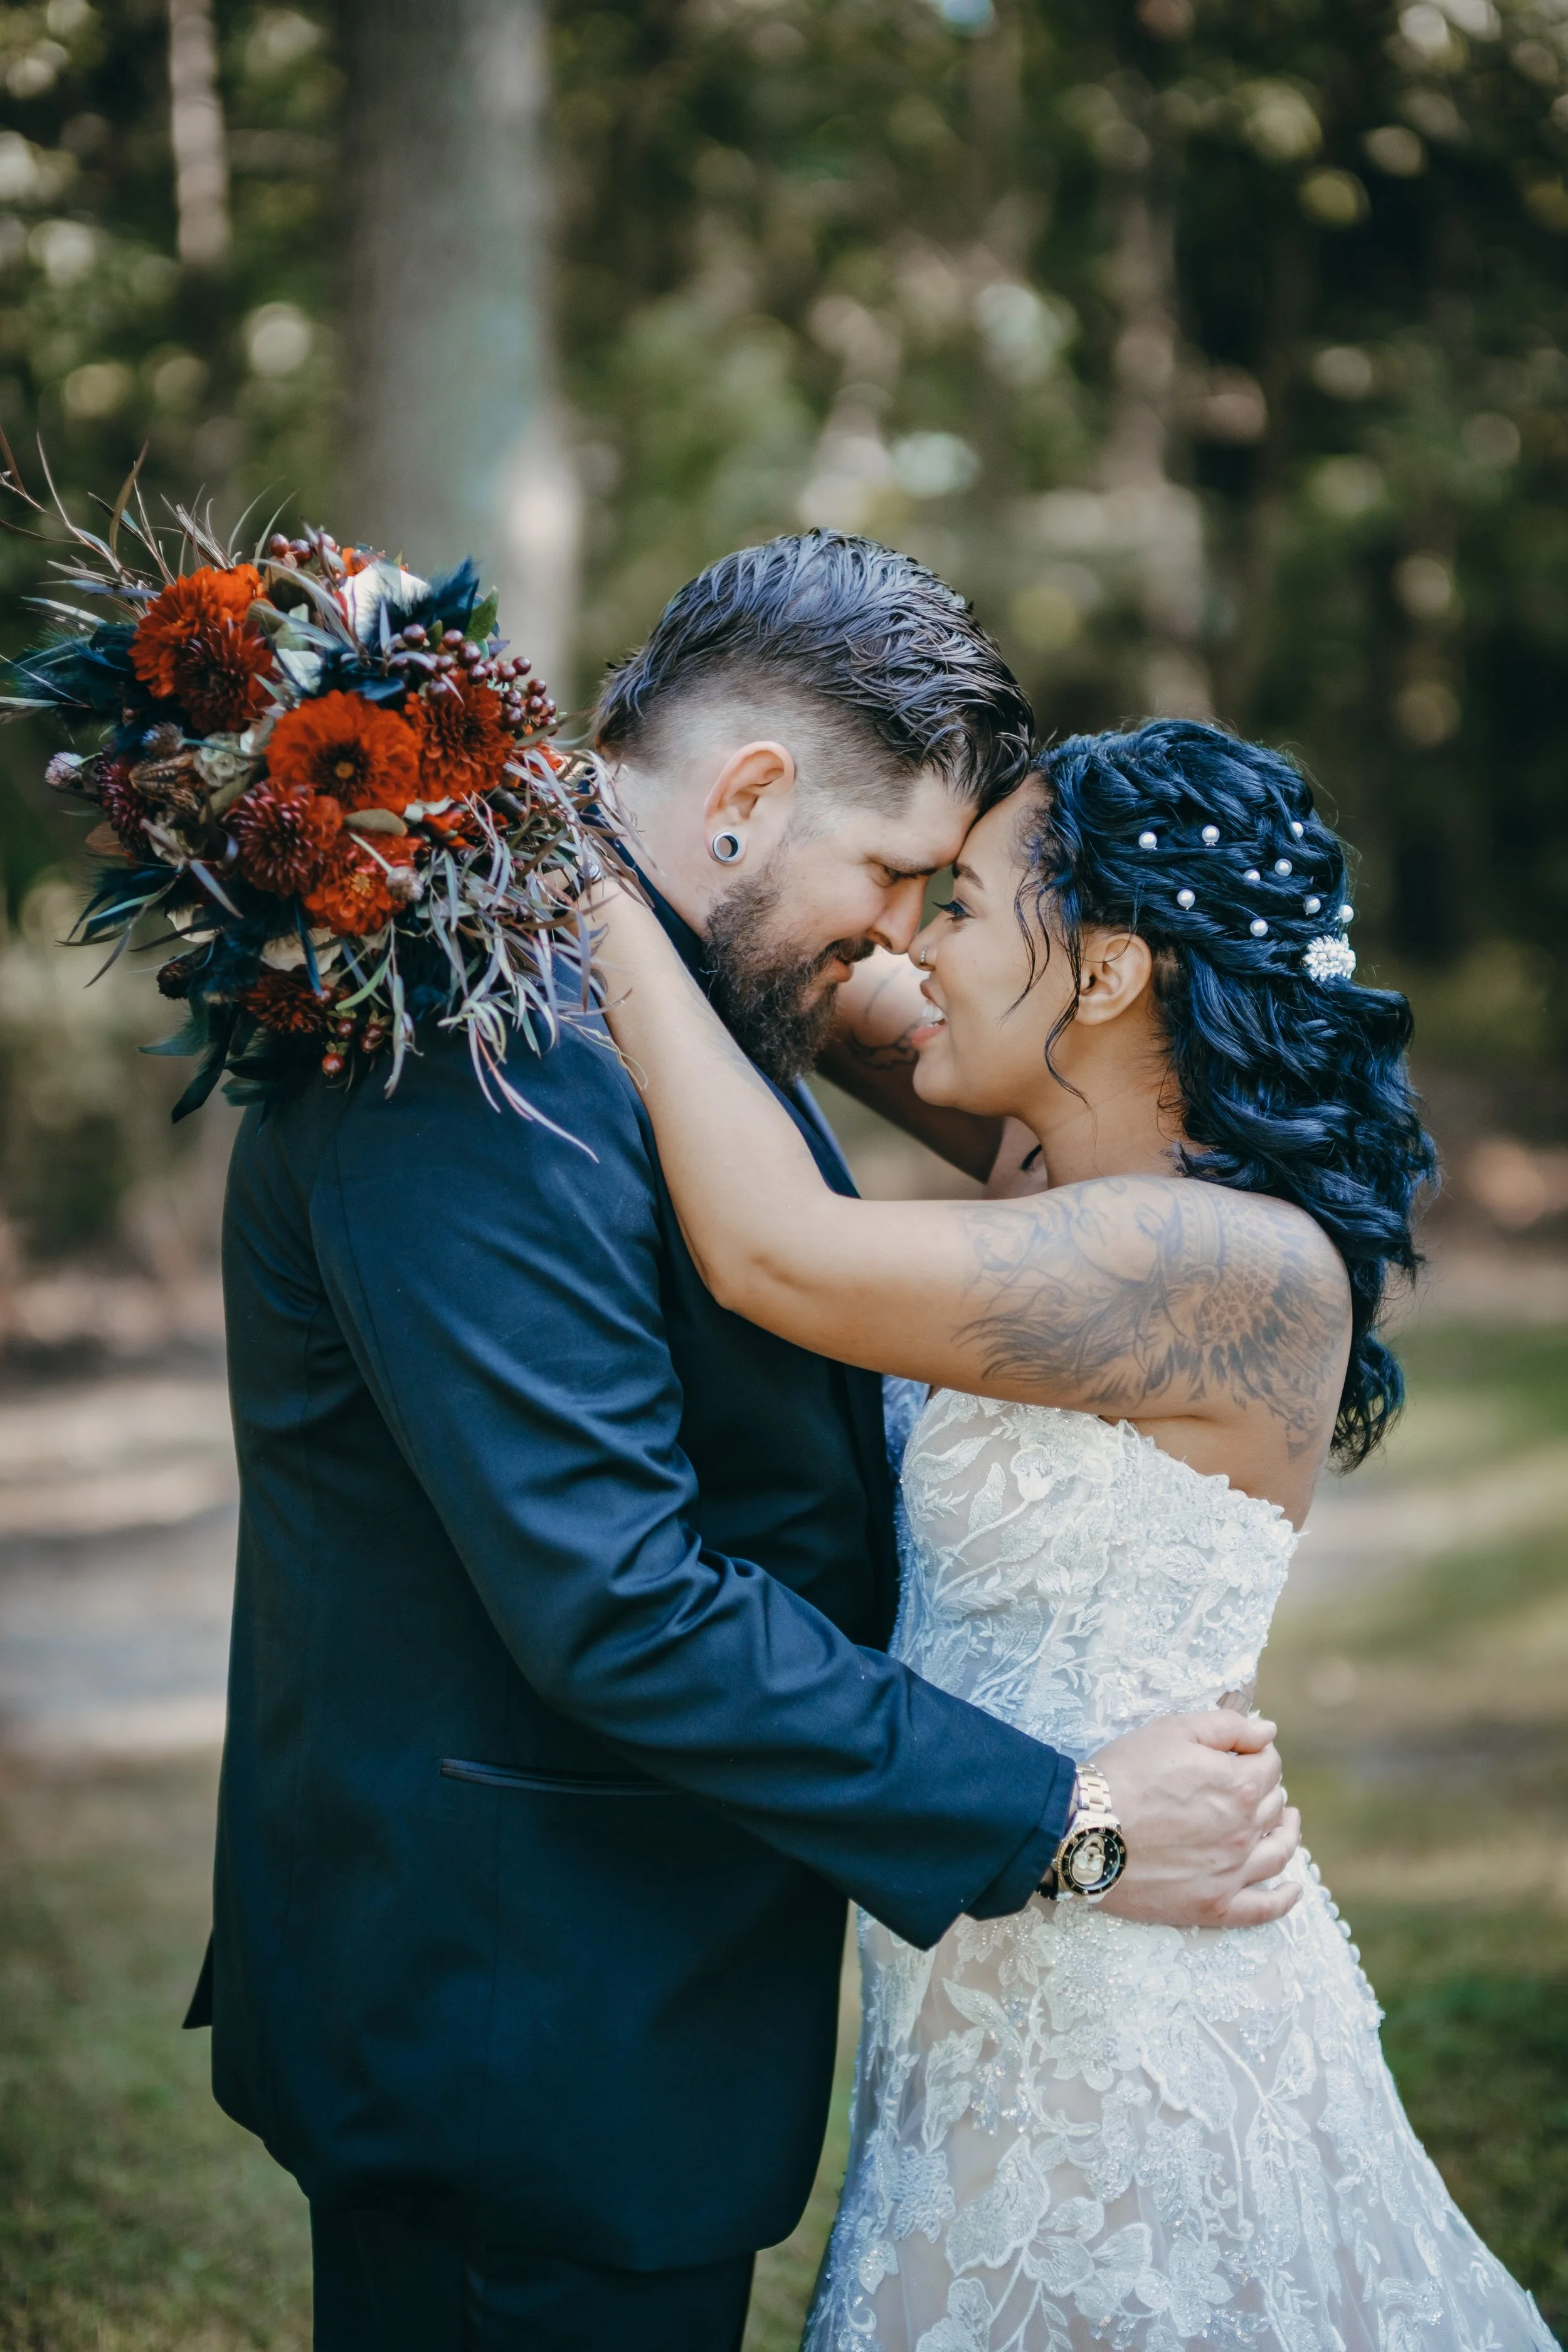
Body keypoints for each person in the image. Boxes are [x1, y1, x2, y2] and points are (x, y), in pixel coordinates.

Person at [189, 536, 1300, 2352]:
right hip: (518, 2014)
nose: (895, 929)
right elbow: (616, 1596)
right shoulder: (488, 1045)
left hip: (600, 1985)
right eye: (888, 872)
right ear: (750, 793)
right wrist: (1068, 1826)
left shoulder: (641, 982)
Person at [590, 714, 1560, 2352]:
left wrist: (568, 865)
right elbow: (822, 976)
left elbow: (772, 1248)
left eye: (956, 902)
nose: (914, 935)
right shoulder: (1066, 1148)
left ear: (1104, 976)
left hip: (1127, 2001)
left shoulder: (1220, 1264)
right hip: (993, 1944)